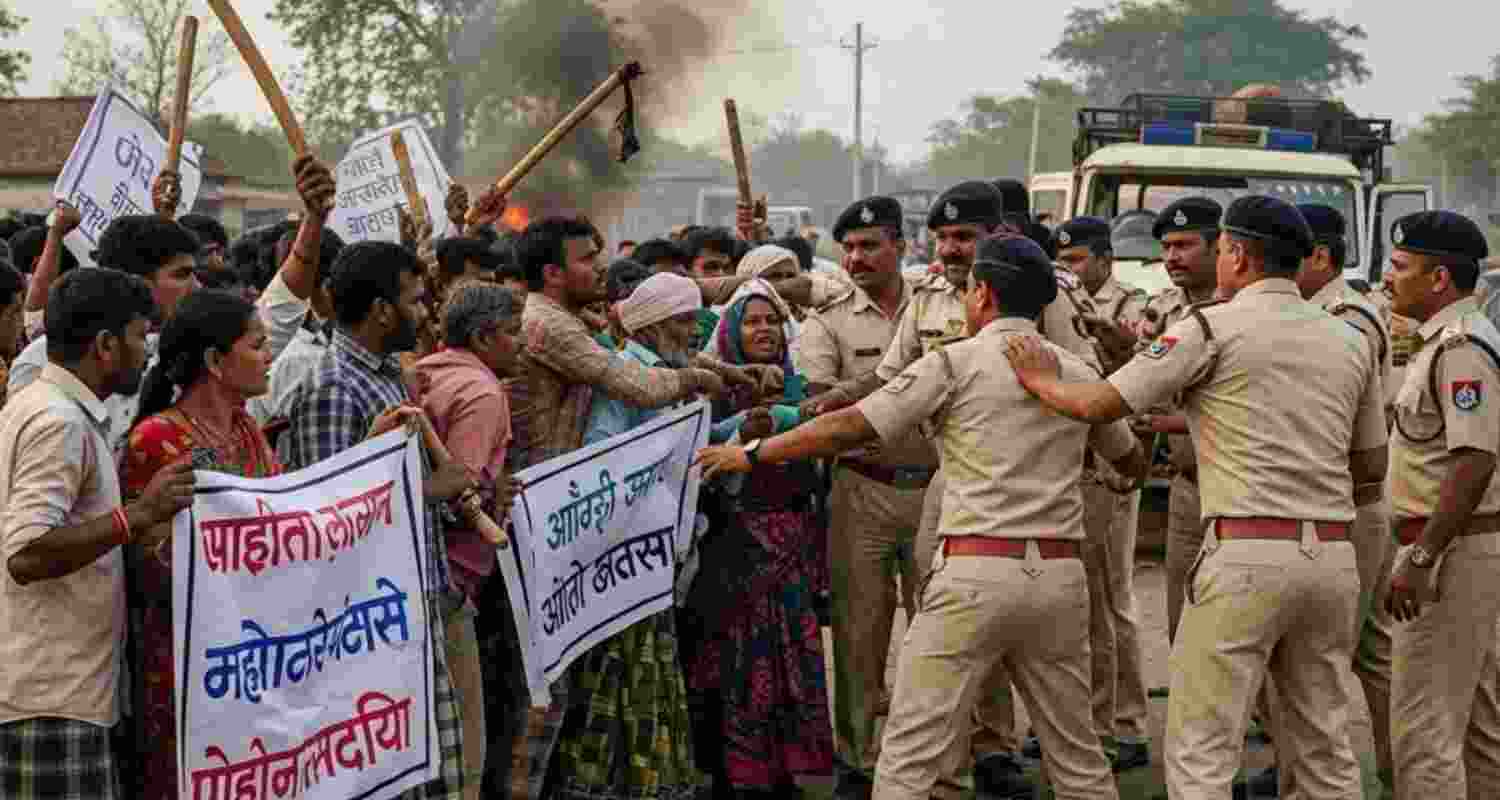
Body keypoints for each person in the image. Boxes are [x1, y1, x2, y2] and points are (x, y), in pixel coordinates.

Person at [695, 235, 1149, 800]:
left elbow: (850, 425)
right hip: (1058, 574)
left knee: (911, 755)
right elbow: (1131, 461)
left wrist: (753, 453)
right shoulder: (1077, 371)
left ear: (980, 292)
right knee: (1077, 758)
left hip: (974, 571)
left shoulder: (954, 362)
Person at [1004, 195, 1387, 798]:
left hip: (1247, 550)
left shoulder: (1210, 325)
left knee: (1204, 742)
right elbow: (1371, 466)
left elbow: (1103, 404)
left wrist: (1039, 379)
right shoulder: (1348, 337)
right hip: (1333, 555)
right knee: (1324, 746)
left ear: (1237, 252)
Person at [510, 216, 725, 800]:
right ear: (552, 274)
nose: (601, 269)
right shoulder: (546, 324)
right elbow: (638, 385)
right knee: (544, 679)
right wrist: (709, 382)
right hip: (546, 511)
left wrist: (721, 374)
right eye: (587, 259)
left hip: (568, 509)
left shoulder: (571, 319)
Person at [280, 240, 479, 800]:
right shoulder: (334, 387)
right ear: (382, 310)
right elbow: (327, 516)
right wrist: (436, 487)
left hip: (416, 599)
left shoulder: (389, 375)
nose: (426, 313)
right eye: (416, 301)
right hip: (367, 623)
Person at [0, 268, 192, 800]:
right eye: (137, 337)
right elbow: (25, 552)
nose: (145, 352)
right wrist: (138, 515)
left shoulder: (54, 409)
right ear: (106, 345)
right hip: (52, 696)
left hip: (64, 690)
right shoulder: (58, 422)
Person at [118, 290, 287, 800]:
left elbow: (285, 519)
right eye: (258, 345)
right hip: (185, 660)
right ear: (215, 361)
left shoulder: (248, 429)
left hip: (249, 653)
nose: (269, 356)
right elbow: (140, 558)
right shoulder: (155, 441)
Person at [793, 196, 935, 800]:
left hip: (941, 488)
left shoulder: (940, 304)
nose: (855, 258)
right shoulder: (826, 320)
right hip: (863, 489)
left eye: (870, 245)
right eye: (847, 247)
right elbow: (824, 403)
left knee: (945, 631)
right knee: (859, 632)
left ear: (900, 246)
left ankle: (953, 754)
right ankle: (857, 756)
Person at [685, 276, 834, 798]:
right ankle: (736, 769)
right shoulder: (709, 388)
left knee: (791, 654)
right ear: (732, 332)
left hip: (792, 541)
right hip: (731, 545)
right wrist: (743, 425)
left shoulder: (798, 386)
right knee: (738, 660)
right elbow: (693, 450)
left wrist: (784, 419)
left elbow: (825, 439)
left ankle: (786, 766)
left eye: (772, 320)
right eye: (752, 320)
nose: (764, 329)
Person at [1380, 210, 1500, 798]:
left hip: (1452, 551)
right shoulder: (1450, 343)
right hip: (1467, 547)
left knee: (1424, 731)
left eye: (1400, 266)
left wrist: (1424, 556)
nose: (1386, 277)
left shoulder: (1462, 348)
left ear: (1440, 279)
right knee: (1480, 727)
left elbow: (1474, 459)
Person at [1288, 202, 1396, 791]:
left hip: (1349, 499)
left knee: (1319, 660)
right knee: (1370, 653)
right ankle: (1393, 772)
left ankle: (1314, 780)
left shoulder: (1346, 316)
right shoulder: (1330, 310)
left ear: (1321, 257)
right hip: (1355, 498)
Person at [1051, 215, 1154, 772]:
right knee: (1080, 605)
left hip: (1117, 465)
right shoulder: (1052, 304)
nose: (1068, 271)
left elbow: (1150, 372)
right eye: (1061, 262)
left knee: (1113, 601)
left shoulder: (1133, 306)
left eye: (1077, 261)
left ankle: (1126, 725)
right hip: (1075, 464)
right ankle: (1088, 722)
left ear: (1105, 261)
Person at [417, 282, 525, 800]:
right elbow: (458, 495)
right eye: (511, 333)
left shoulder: (428, 370)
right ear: (483, 337)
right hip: (451, 576)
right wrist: (492, 492)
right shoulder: (483, 393)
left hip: (415, 569)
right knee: (464, 736)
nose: (521, 343)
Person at [8, 214, 200, 456]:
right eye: (181, 275)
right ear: (138, 281)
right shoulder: (43, 360)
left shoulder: (173, 354)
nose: (197, 288)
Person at [1138, 197, 1223, 645]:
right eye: (1167, 247)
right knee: (1181, 628)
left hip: (1239, 488)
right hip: (1186, 487)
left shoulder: (1242, 311)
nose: (1172, 258)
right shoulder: (1163, 310)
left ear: (1220, 246)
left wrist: (1175, 425)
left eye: (1185, 245)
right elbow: (1136, 387)